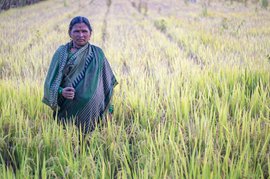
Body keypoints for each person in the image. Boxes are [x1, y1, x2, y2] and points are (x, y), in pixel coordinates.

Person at [42, 16, 117, 134]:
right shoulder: (62, 53)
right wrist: (62, 91)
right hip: (69, 108)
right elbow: (49, 84)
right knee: (70, 141)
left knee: (91, 142)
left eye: (84, 31)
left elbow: (107, 83)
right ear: (70, 33)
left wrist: (110, 108)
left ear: (90, 33)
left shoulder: (98, 53)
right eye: (76, 31)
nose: (81, 35)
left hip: (94, 111)